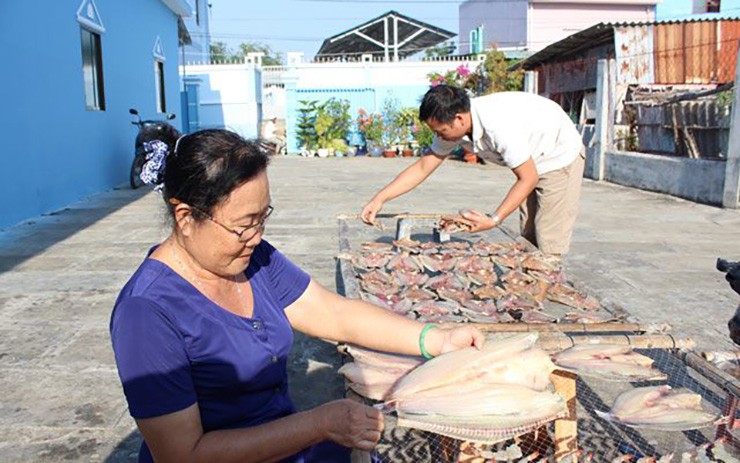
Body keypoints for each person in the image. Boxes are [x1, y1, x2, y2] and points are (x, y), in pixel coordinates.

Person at [109, 129, 485, 463]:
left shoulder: (253, 258)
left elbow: (333, 313)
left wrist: (434, 338)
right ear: (187, 217)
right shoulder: (147, 312)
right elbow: (182, 455)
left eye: (262, 218)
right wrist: (317, 424)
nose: (256, 237)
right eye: (242, 226)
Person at [361, 85, 586, 256]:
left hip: (559, 156)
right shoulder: (456, 124)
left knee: (548, 236)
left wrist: (494, 219)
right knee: (528, 234)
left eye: (441, 131)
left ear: (458, 118)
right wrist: (379, 199)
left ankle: (534, 304)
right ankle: (529, 290)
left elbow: (528, 178)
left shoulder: (497, 125)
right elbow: (422, 167)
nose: (439, 137)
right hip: (534, 156)